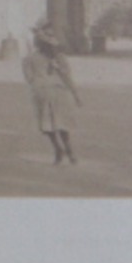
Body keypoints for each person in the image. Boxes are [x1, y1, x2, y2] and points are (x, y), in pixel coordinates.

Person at [22, 22, 82, 164]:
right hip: (58, 91)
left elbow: (29, 78)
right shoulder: (60, 58)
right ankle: (69, 151)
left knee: (47, 124)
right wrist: (76, 95)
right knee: (62, 123)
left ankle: (58, 149)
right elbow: (67, 77)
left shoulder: (29, 59)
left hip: (42, 92)